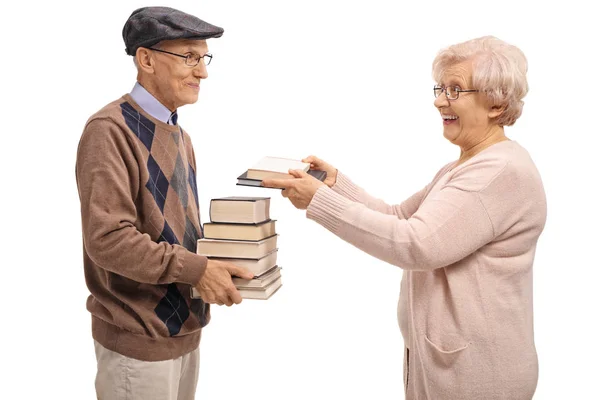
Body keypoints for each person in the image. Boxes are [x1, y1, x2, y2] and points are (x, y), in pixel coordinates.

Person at [262, 36, 547, 400]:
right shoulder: (468, 165)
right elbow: (400, 217)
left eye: (455, 89)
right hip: (449, 365)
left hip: (477, 375)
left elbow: (415, 244)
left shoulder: (497, 173)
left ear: (496, 103)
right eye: (441, 87)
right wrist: (335, 186)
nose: (439, 99)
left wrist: (319, 203)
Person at [75, 6, 253, 400]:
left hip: (185, 336)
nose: (203, 71)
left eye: (203, 58)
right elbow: (108, 240)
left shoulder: (179, 135)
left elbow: (175, 232)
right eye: (189, 56)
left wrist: (225, 260)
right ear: (146, 59)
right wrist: (197, 269)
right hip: (137, 345)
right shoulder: (110, 130)